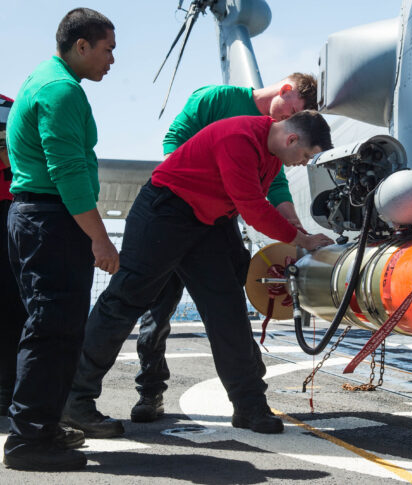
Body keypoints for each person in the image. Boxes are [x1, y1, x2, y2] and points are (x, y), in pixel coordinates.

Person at [62, 111, 334, 439]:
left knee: (227, 310)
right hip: (165, 212)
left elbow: (254, 203)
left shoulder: (272, 156)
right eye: (304, 156)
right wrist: (302, 240)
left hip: (207, 222)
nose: (300, 163)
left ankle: (248, 404)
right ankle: (75, 398)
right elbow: (251, 207)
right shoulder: (240, 138)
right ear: (292, 139)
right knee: (123, 302)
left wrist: (298, 234)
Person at [132, 74, 317, 424]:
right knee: (158, 309)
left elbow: (276, 190)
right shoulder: (215, 99)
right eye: (292, 110)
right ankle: (150, 390)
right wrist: (183, 200)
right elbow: (174, 140)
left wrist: (299, 234)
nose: (288, 121)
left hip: (218, 222)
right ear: (285, 90)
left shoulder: (277, 137)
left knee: (230, 304)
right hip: (177, 216)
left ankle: (249, 395)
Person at [3, 8, 118, 471]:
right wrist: (101, 240)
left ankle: (43, 425)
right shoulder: (61, 91)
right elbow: (68, 173)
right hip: (51, 220)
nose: (112, 60)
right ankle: (29, 441)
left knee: (52, 327)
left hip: (34, 218)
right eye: (107, 49)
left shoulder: (43, 78)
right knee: (52, 331)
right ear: (82, 46)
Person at [0, 95, 28, 417]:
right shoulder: (15, 106)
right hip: (15, 212)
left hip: (10, 211)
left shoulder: (13, 105)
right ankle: (9, 392)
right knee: (13, 310)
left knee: (12, 309)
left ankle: (8, 392)